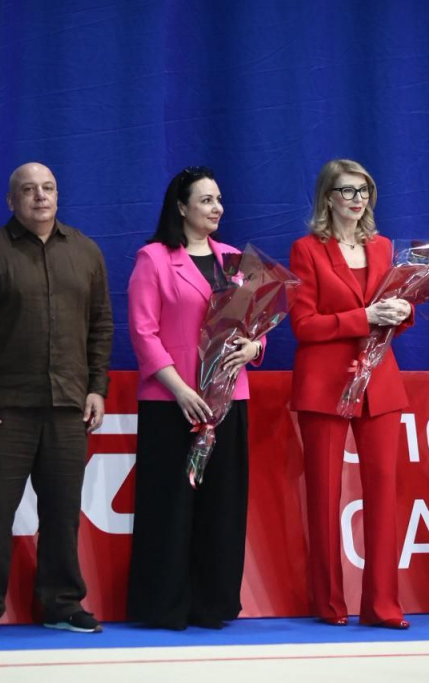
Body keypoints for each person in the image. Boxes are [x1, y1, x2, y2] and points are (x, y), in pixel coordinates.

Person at [0, 162, 113, 635]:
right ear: (11, 201)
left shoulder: (86, 252)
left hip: (68, 408)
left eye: (48, 189)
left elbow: (101, 326)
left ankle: (61, 604)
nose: (40, 197)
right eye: (28, 190)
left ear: (58, 196)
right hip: (3, 410)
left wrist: (97, 387)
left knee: (63, 516)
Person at [125, 166, 263, 630]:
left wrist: (254, 347)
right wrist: (181, 390)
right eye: (206, 200)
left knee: (222, 505)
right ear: (180, 207)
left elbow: (255, 328)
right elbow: (143, 333)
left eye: (219, 199)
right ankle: (164, 605)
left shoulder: (234, 260)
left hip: (229, 399)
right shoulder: (154, 258)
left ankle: (214, 604)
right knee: (171, 505)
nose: (216, 208)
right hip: (173, 402)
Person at [289, 159, 412, 629]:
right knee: (324, 496)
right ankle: (329, 604)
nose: (357, 199)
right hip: (324, 385)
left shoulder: (383, 248)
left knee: (383, 494)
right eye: (347, 191)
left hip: (379, 385)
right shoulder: (307, 249)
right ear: (327, 198)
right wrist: (366, 318)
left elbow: (397, 314)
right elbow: (304, 326)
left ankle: (382, 606)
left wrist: (401, 311)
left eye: (364, 191)